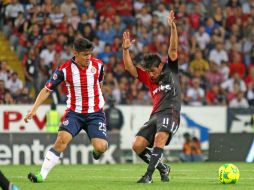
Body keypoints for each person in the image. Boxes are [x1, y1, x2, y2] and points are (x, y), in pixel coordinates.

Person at [24, 38, 107, 183]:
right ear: (75, 53)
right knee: (61, 140)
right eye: (85, 55)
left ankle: (96, 150)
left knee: (101, 147)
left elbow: (99, 83)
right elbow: (46, 89)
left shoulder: (98, 65)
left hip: (95, 113)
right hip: (75, 113)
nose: (89, 58)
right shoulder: (64, 69)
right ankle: (41, 176)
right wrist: (33, 110)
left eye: (90, 54)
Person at [122, 10, 181, 183]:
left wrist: (173, 27)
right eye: (149, 72)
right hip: (155, 115)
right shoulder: (149, 77)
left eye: (153, 71)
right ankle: (163, 168)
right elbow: (130, 69)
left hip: (170, 112)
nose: (151, 75)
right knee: (137, 145)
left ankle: (148, 176)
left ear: (161, 66)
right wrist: (125, 50)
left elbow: (174, 47)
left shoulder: (171, 70)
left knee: (159, 138)